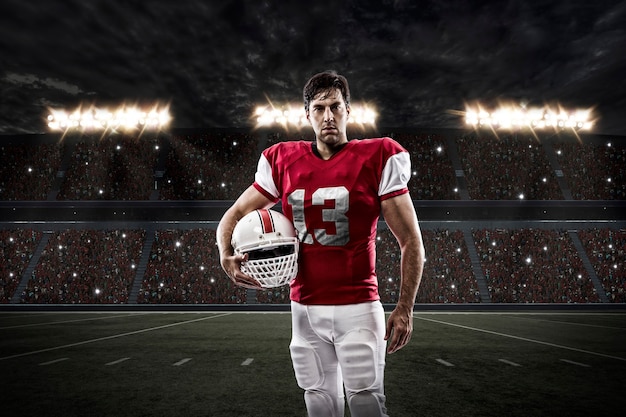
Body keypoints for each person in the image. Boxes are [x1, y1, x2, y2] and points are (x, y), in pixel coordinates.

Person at [217, 70, 425, 417]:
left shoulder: (379, 156)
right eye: (319, 108)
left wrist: (405, 308)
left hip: (358, 306)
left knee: (366, 404)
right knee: (318, 402)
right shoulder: (281, 160)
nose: (328, 116)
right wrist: (225, 252)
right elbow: (233, 215)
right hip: (304, 309)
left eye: (335, 106)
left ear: (348, 111)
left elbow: (411, 241)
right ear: (307, 114)